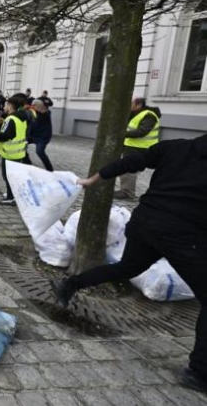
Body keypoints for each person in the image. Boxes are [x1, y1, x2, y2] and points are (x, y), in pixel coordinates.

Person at [53, 134, 207, 394]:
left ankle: (69, 284)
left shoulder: (176, 146)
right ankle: (199, 372)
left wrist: (95, 178)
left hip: (144, 222)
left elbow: (134, 161)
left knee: (127, 268)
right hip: (182, 235)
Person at [116, 97, 161, 200]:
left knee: (129, 169)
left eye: (131, 104)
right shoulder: (136, 114)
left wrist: (121, 134)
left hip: (140, 148)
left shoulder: (149, 115)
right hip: (133, 146)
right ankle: (126, 191)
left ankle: (127, 192)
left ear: (139, 104)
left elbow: (142, 131)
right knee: (128, 169)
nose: (129, 106)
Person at [0, 95, 28, 206]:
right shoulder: (22, 117)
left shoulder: (11, 119)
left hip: (10, 153)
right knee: (11, 176)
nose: (4, 106)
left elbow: (5, 136)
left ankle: (11, 198)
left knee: (8, 176)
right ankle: (11, 194)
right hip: (18, 152)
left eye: (6, 104)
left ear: (11, 105)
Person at [29, 99, 54, 171]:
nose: (32, 106)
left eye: (34, 105)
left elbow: (44, 113)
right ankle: (27, 163)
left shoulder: (46, 112)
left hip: (42, 137)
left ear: (39, 106)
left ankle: (50, 169)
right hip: (32, 135)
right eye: (32, 105)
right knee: (21, 144)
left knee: (39, 151)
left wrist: (40, 109)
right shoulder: (32, 112)